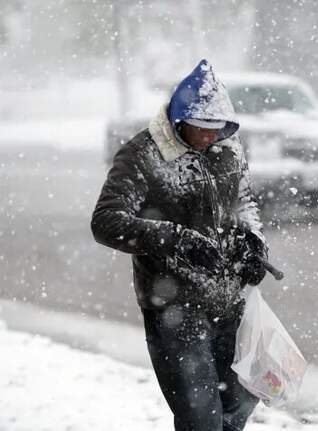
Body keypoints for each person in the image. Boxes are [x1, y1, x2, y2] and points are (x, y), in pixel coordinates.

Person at [91, 59, 268, 431]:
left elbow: (245, 202)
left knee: (238, 405)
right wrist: (173, 238)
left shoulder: (228, 149)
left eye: (216, 129)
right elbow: (106, 222)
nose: (208, 137)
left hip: (230, 301)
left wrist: (254, 241)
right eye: (200, 129)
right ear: (177, 121)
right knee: (201, 419)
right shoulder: (142, 155)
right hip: (175, 309)